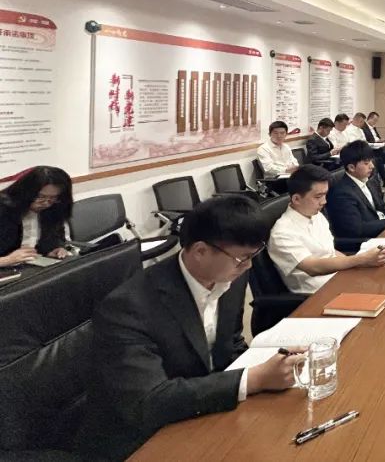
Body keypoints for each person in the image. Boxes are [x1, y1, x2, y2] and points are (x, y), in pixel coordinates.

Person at [79, 195, 305, 460]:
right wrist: (253, 379)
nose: (248, 266)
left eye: (252, 256)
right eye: (241, 258)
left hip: (203, 414)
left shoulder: (228, 276)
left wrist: (267, 368)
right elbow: (148, 401)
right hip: (141, 439)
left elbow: (230, 344)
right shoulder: (128, 306)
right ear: (200, 251)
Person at [268, 165, 385, 294]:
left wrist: (360, 264)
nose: (324, 201)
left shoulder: (316, 215)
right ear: (296, 199)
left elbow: (331, 251)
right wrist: (361, 259)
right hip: (319, 294)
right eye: (318, 196)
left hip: (342, 279)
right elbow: (313, 267)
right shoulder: (282, 233)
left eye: (325, 195)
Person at [324, 141, 385, 242]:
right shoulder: (342, 193)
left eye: (371, 161)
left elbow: (381, 206)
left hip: (380, 229)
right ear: (351, 167)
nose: (372, 166)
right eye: (366, 163)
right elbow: (357, 229)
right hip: (364, 241)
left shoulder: (367, 180)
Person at [0, 166, 74, 266]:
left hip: (31, 267)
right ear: (25, 192)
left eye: (53, 197)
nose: (46, 203)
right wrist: (6, 260)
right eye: (40, 197)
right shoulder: (4, 209)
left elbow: (51, 242)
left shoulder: (52, 209)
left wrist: (53, 250)